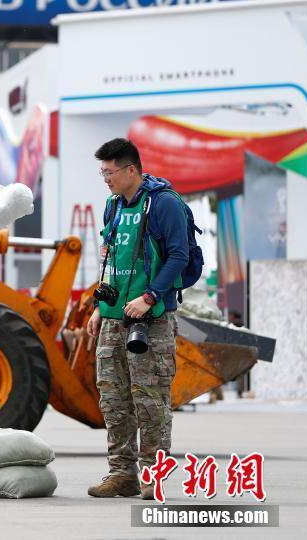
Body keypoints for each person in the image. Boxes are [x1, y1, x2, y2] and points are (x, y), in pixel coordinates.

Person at [85, 138, 189, 501]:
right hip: (114, 319)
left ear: (131, 169)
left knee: (150, 401)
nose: (106, 179)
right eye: (102, 172)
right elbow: (112, 262)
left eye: (110, 172)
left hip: (152, 319)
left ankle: (153, 477)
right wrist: (101, 306)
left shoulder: (164, 204)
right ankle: (122, 474)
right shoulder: (113, 207)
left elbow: (178, 255)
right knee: (113, 400)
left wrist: (149, 297)